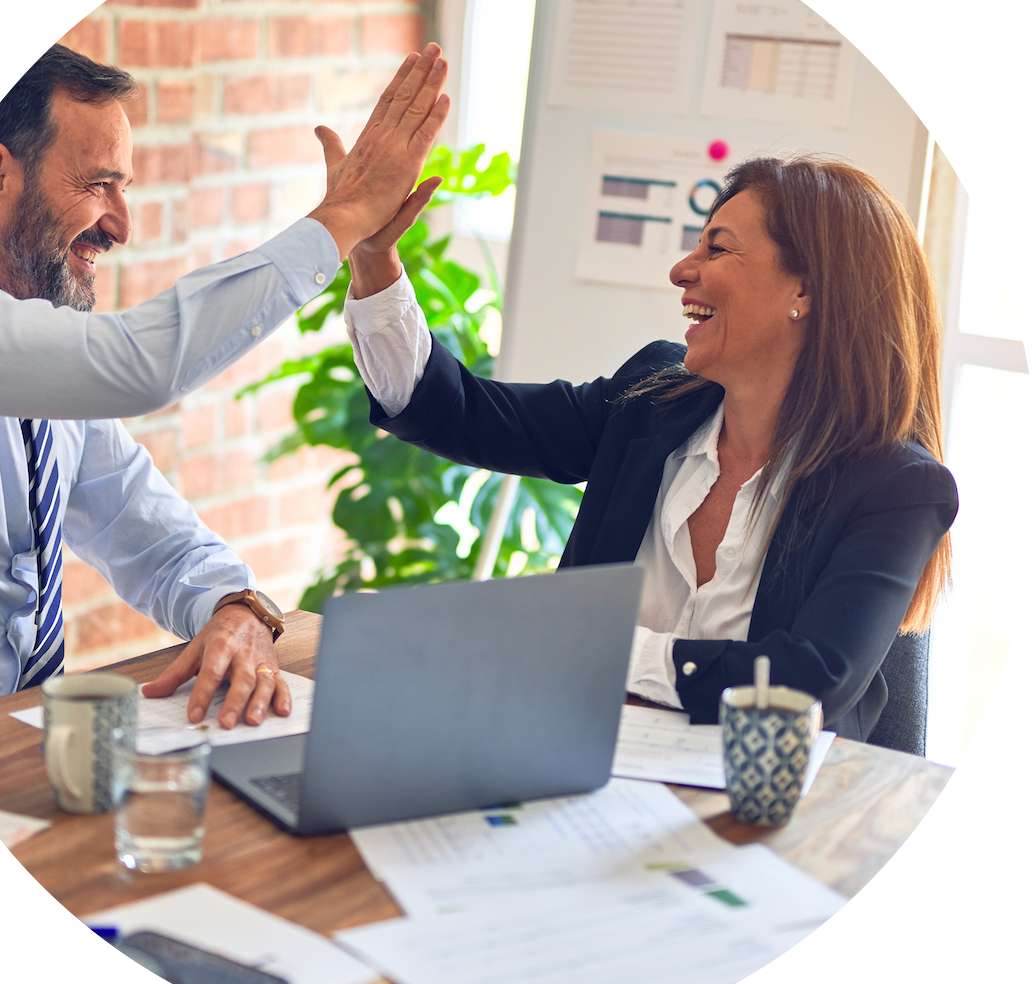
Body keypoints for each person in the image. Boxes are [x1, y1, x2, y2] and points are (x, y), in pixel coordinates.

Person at [0, 42, 449, 723]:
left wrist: (236, 608)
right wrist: (343, 217)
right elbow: (136, 366)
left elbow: (148, 534)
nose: (121, 224)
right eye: (97, 185)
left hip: (20, 740)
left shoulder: (41, 364)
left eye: (125, 189)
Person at [341, 154, 959, 742]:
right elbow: (460, 414)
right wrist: (374, 259)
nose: (681, 270)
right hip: (581, 769)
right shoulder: (651, 400)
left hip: (772, 818)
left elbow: (804, 685)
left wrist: (596, 647)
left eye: (716, 248)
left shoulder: (897, 487)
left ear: (805, 290)